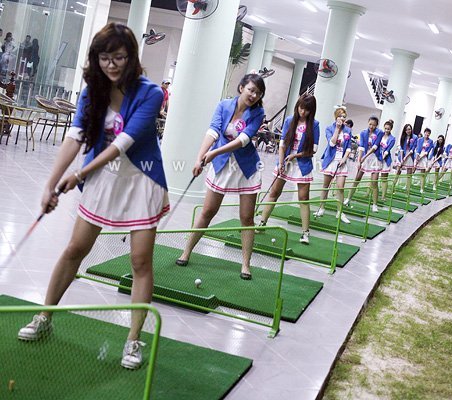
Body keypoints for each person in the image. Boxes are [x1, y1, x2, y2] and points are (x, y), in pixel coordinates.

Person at [17, 23, 168, 370]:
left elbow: (123, 143)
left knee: (140, 261)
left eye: (119, 57)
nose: (111, 65)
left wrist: (79, 174)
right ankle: (44, 316)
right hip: (103, 177)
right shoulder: (93, 91)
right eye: (104, 57)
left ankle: (133, 339)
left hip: (142, 178)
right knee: (75, 249)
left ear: (131, 57)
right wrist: (50, 184)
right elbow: (75, 137)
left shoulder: (150, 93)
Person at [176, 73, 266, 280]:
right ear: (241, 88)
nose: (254, 95)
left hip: (246, 167)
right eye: (251, 90)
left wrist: (215, 152)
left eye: (258, 93)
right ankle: (186, 252)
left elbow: (243, 140)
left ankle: (245, 264)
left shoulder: (258, 113)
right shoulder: (224, 105)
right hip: (222, 165)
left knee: (246, 217)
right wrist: (199, 158)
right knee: (208, 211)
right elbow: (213, 131)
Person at [257, 94, 319, 244]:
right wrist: (281, 163)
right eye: (301, 108)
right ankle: (262, 223)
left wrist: (295, 156)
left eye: (306, 110)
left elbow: (313, 150)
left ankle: (305, 233)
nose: (302, 112)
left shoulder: (314, 125)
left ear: (311, 111)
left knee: (303, 198)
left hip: (302, 164)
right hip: (285, 161)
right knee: (274, 192)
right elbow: (282, 145)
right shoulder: (290, 120)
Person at [315, 106, 352, 224]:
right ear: (336, 117)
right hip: (330, 160)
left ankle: (340, 212)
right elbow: (331, 143)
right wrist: (337, 128)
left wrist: (344, 159)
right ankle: (321, 208)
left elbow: (349, 147)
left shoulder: (348, 130)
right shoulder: (329, 128)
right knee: (326, 186)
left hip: (342, 162)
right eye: (340, 116)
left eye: (344, 117)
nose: (342, 118)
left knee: (340, 187)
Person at [344, 116, 385, 212]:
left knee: (374, 182)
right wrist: (359, 160)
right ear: (368, 123)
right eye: (370, 124)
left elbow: (375, 147)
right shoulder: (363, 133)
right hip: (364, 157)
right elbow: (361, 147)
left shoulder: (380, 132)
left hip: (374, 158)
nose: (371, 126)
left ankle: (375, 205)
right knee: (357, 178)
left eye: (374, 125)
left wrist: (364, 157)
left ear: (377, 125)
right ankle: (348, 199)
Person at [379, 120, 396, 202]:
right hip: (377, 158)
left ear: (391, 129)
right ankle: (368, 193)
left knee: (384, 178)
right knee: (373, 176)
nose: (386, 130)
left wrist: (382, 158)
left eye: (388, 129)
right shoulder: (380, 135)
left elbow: (387, 150)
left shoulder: (392, 139)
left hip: (385, 160)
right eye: (385, 128)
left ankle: (383, 196)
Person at [413, 128, 434, 192]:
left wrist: (421, 156)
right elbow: (417, 148)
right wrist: (417, 156)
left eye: (428, 133)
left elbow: (428, 150)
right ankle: (407, 185)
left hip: (424, 157)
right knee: (413, 169)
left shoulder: (430, 141)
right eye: (426, 132)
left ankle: (421, 188)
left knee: (422, 173)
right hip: (418, 155)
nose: (427, 134)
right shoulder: (419, 139)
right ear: (424, 132)